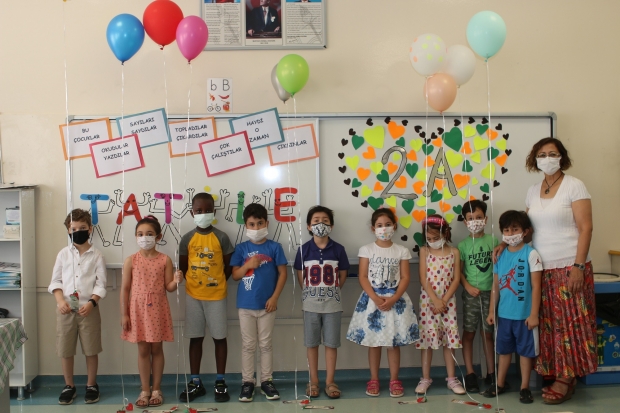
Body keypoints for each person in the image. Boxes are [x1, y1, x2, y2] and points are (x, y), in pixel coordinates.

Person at [494, 137, 596, 405]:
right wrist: (505, 243)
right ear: (534, 159)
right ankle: (557, 374)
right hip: (540, 268)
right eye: (541, 154)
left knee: (569, 326)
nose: (547, 158)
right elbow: (527, 230)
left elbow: (586, 228)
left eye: (552, 153)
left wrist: (578, 266)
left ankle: (566, 378)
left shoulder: (574, 185)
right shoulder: (532, 191)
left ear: (562, 157)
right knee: (548, 325)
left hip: (569, 266)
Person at [346, 208, 419, 398]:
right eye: (379, 225)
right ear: (373, 228)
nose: (384, 228)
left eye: (387, 224)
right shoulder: (366, 249)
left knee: (393, 343)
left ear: (394, 226)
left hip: (395, 300)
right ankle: (374, 379)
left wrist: (393, 298)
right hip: (372, 300)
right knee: (374, 342)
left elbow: (405, 277)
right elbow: (363, 277)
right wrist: (376, 298)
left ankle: (394, 379)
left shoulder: (401, 250)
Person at [120, 216, 182, 407]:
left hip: (157, 309)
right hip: (138, 310)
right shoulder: (131, 260)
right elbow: (125, 289)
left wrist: (176, 281)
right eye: (140, 234)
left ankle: (156, 389)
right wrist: (124, 314)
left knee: (156, 349)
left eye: (149, 234)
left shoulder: (165, 260)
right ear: (135, 236)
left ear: (158, 236)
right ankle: (145, 389)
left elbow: (168, 287)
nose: (144, 237)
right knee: (143, 350)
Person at [178, 193, 234, 403]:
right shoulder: (187, 238)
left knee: (220, 338)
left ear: (214, 212)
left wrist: (217, 282)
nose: (203, 214)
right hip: (193, 296)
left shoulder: (222, 237)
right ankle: (195, 382)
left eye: (208, 210)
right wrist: (195, 284)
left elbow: (229, 266)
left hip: (217, 296)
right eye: (199, 211)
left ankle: (220, 382)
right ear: (192, 213)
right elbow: (183, 267)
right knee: (196, 338)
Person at [48, 209, 107, 405]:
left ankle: (91, 385)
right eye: (73, 229)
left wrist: (92, 302)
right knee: (65, 350)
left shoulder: (97, 255)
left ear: (90, 229)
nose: (78, 231)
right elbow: (55, 281)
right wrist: (60, 301)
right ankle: (69, 386)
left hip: (89, 310)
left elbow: (101, 284)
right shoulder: (63, 254)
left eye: (82, 228)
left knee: (91, 349)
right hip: (65, 310)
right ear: (68, 230)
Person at [230, 203, 287, 402]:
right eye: (252, 224)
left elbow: (283, 273)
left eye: (260, 223)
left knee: (265, 344)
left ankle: (266, 381)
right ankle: (247, 382)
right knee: (248, 345)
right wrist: (248, 265)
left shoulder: (275, 247)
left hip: (267, 306)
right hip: (246, 305)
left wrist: (275, 297)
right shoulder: (241, 248)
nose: (256, 228)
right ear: (246, 226)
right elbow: (235, 275)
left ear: (267, 224)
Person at [483, 210, 542, 404]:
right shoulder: (499, 255)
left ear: (525, 231)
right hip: (504, 315)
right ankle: (500, 384)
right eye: (506, 230)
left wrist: (534, 314)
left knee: (525, 353)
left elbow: (536, 286)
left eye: (515, 229)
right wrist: (492, 311)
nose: (510, 234)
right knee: (504, 351)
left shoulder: (531, 254)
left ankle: (525, 387)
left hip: (525, 316)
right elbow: (495, 286)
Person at [294, 206, 350, 399]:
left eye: (325, 221)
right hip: (310, 305)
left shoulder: (339, 249)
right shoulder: (303, 250)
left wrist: (333, 291)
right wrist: (309, 292)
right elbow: (300, 275)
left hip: (332, 305)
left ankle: (330, 381)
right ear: (309, 226)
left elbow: (343, 274)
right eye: (316, 221)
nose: (321, 224)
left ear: (331, 226)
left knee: (331, 343)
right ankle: (313, 381)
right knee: (311, 344)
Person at [416, 215, 465, 395]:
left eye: (435, 238)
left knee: (449, 341)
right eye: (429, 238)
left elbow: (456, 279)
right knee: (427, 341)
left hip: (448, 302)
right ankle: (425, 378)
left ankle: (451, 379)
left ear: (445, 233)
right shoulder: (424, 251)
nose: (432, 241)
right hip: (428, 301)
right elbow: (423, 278)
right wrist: (435, 300)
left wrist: (444, 300)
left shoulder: (454, 252)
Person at [457, 200, 497, 392]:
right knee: (469, 333)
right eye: (471, 218)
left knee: (488, 334)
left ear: (485, 219)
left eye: (479, 217)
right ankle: (470, 373)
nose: (475, 221)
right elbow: (459, 273)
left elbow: (498, 269)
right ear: (465, 222)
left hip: (491, 294)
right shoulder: (463, 245)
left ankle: (491, 372)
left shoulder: (494, 241)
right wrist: (468, 287)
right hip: (471, 295)